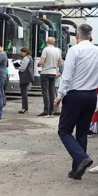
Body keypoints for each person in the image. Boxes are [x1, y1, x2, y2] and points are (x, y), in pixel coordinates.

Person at [54, 24, 98, 180]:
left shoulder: (74, 50)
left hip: (75, 95)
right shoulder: (97, 51)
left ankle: (82, 158)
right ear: (90, 36)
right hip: (91, 96)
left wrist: (59, 96)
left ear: (77, 36)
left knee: (64, 130)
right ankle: (77, 170)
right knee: (82, 132)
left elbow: (67, 75)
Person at [37, 37, 63, 118]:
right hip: (53, 73)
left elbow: (42, 61)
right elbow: (60, 63)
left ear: (47, 42)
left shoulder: (46, 49)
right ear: (54, 43)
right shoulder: (57, 50)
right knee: (52, 92)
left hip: (45, 72)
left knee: (45, 92)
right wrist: (54, 65)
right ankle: (51, 111)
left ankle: (46, 111)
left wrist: (38, 64)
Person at [16, 47, 34, 114]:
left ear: (25, 52)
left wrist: (17, 67)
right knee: (24, 92)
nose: (21, 54)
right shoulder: (30, 57)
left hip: (25, 77)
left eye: (22, 52)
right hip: (28, 76)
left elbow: (23, 68)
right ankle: (24, 107)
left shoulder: (26, 58)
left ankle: (24, 108)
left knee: (23, 93)